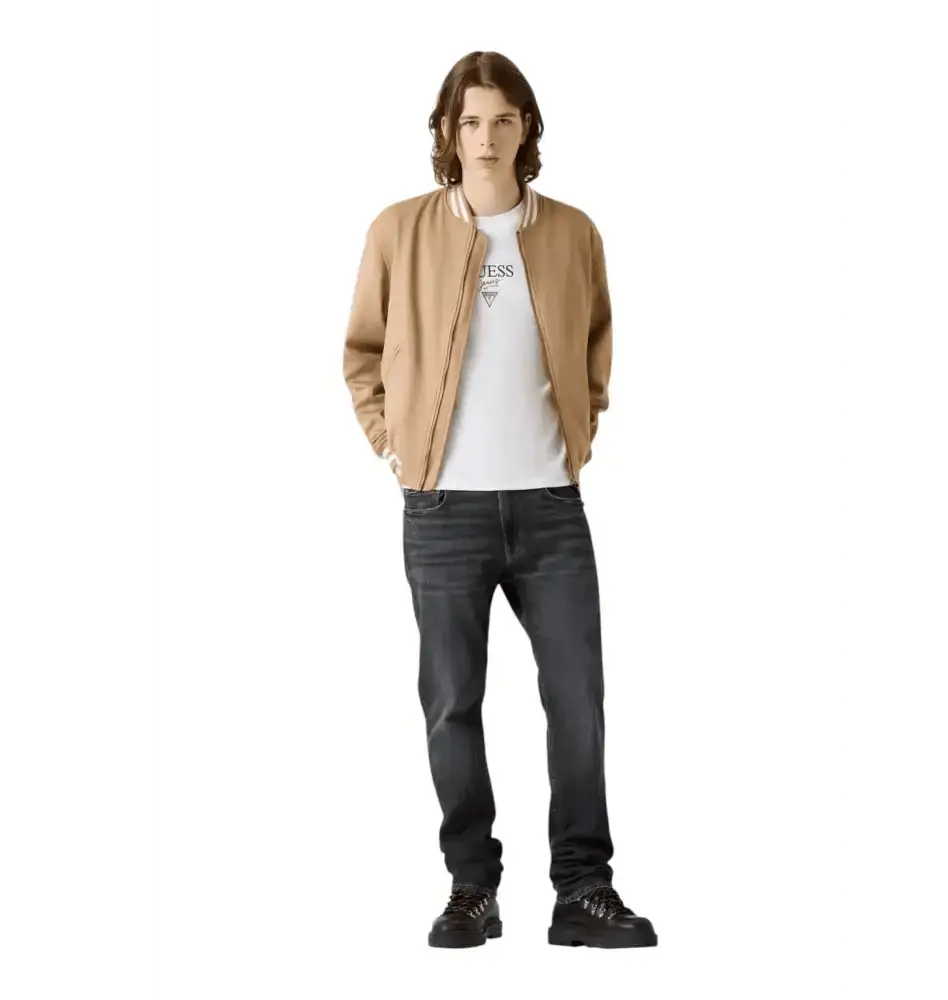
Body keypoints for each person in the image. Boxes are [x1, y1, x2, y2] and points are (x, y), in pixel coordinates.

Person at [342, 51, 657, 950]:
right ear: (447, 133)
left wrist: (579, 436)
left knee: (578, 699)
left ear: (527, 130)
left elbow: (595, 346)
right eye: (470, 121)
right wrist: (391, 441)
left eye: (504, 120)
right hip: (442, 511)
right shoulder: (398, 230)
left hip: (552, 507)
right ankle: (471, 886)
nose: (486, 138)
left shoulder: (572, 232)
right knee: (451, 704)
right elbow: (363, 352)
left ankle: (583, 890)